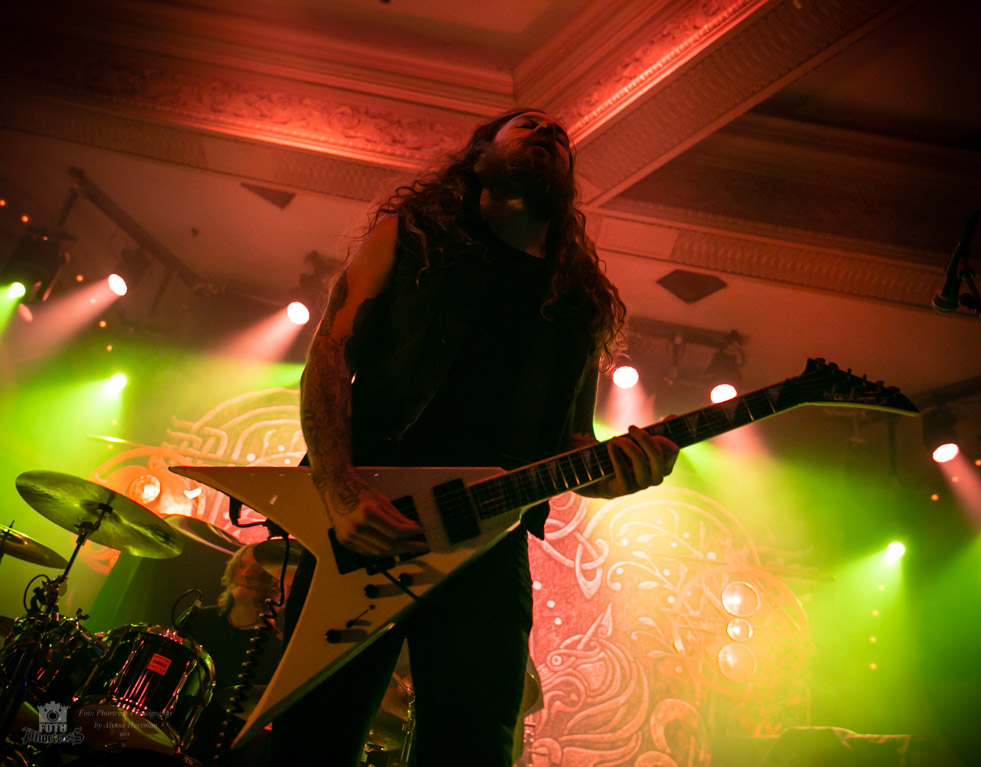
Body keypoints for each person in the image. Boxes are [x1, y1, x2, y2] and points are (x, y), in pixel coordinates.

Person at [273, 107, 678, 766]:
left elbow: (573, 445)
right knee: (311, 737)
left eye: (561, 138)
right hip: (370, 513)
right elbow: (329, 354)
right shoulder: (411, 235)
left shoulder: (579, 302)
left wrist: (621, 471)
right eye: (527, 125)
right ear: (481, 153)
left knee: (474, 744)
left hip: (487, 542)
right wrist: (340, 489)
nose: (549, 132)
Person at [186, 544, 287, 766]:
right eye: (241, 566)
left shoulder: (275, 649)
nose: (245, 574)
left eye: (258, 569)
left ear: (274, 582)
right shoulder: (199, 620)